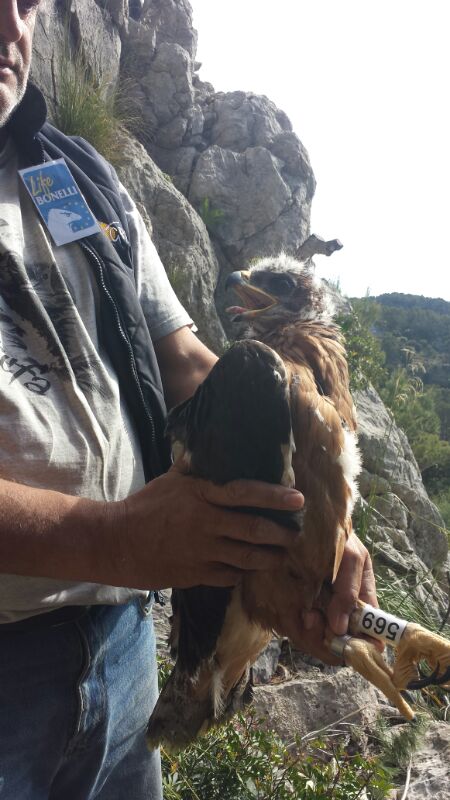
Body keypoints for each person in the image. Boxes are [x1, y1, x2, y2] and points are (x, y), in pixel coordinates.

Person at [0, 1, 378, 798]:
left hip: (125, 649)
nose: (10, 25)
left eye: (26, 1)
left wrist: (310, 506)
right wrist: (107, 540)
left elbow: (186, 365)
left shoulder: (74, 180)